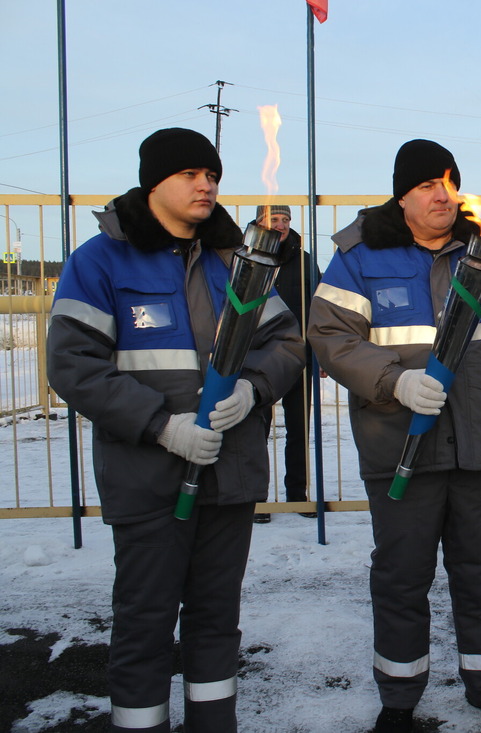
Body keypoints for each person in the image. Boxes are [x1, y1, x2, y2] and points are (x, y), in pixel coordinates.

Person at [46, 128, 306, 733]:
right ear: (153, 182)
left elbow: (287, 344)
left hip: (229, 471)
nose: (206, 184)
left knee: (217, 619)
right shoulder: (101, 260)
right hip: (148, 479)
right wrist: (162, 427)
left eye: (212, 174)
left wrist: (252, 389)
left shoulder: (234, 262)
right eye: (191, 173)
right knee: (145, 619)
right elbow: (73, 365)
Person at [307, 139, 481, 733]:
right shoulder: (360, 258)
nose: (441, 194)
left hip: (480, 447)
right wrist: (392, 383)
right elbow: (329, 337)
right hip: (399, 446)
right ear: (403, 194)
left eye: (449, 182)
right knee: (402, 576)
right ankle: (399, 697)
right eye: (427, 184)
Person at [251, 204, 322, 523]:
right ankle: (257, 498)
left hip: (299, 356)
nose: (280, 225)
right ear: (258, 222)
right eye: (273, 219)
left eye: (285, 219)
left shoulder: (305, 262)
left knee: (298, 429)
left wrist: (319, 355)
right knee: (255, 430)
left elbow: (320, 311)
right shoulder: (246, 257)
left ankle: (298, 494)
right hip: (256, 357)